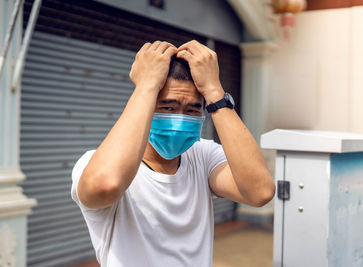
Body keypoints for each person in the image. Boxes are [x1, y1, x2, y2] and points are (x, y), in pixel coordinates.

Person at [71, 40, 275, 267]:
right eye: (168, 107)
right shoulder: (94, 163)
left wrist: (214, 92)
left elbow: (260, 192)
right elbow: (104, 185)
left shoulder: (203, 157)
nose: (179, 120)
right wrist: (146, 85)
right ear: (146, 104)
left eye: (192, 110)